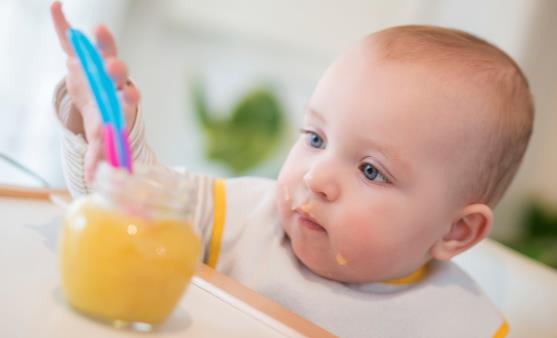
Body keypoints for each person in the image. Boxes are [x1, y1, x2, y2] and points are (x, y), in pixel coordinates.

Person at [51, 2, 533, 337]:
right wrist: (100, 126)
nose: (316, 178)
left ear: (457, 230)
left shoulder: (460, 323)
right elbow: (132, 200)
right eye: (316, 139)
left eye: (370, 171)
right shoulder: (241, 219)